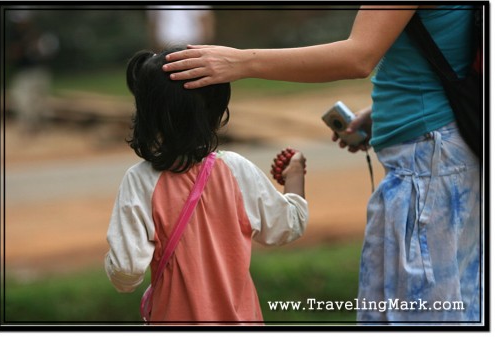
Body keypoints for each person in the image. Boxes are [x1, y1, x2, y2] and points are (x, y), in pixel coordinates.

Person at [162, 5, 481, 323]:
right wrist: (388, 114)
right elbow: (450, 47)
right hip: (445, 152)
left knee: (422, 316)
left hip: (428, 162)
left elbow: (358, 57)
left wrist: (241, 62)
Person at [104, 48, 308, 324]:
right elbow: (288, 225)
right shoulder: (236, 169)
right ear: (216, 112)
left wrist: (115, 266)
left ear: (146, 115)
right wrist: (294, 174)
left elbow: (126, 272)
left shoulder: (139, 181)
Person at [146, 5, 215, 51]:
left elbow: (205, 20)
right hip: (164, 43)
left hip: (192, 43)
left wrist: (204, 46)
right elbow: (153, 21)